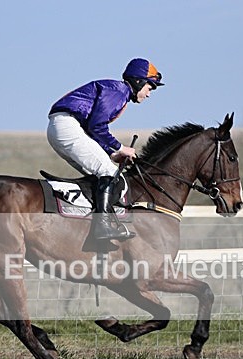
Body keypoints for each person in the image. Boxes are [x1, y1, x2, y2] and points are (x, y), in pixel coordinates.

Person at [47, 58, 164, 241]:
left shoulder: (118, 91)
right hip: (68, 126)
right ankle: (102, 227)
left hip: (64, 127)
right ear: (139, 81)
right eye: (150, 87)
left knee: (100, 175)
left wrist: (112, 153)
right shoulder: (118, 92)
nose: (149, 94)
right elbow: (96, 126)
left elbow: (92, 130)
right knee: (108, 172)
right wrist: (120, 147)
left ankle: (88, 223)